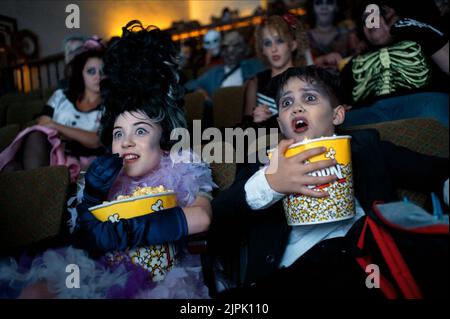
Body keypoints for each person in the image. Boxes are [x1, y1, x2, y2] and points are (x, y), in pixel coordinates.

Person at [0, 21, 215, 299]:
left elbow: (202, 217)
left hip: (164, 280)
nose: (126, 141)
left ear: (163, 138)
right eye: (118, 133)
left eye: (140, 131)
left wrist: (122, 232)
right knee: (33, 293)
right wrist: (91, 198)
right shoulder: (107, 176)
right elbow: (82, 237)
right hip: (103, 271)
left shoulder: (183, 164)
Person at [205, 65, 448, 298]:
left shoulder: (366, 148)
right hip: (293, 276)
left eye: (309, 99)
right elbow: (217, 219)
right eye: (286, 103)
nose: (296, 108)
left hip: (362, 260)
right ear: (280, 123)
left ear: (337, 114)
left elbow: (437, 172)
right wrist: (270, 183)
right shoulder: (263, 164)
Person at [0, 37, 106, 182]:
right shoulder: (60, 96)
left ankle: (39, 192)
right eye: (91, 71)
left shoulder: (109, 104)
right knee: (12, 167)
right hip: (51, 152)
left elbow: (96, 140)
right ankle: (39, 193)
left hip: (83, 161)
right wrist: (77, 134)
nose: (97, 77)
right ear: (81, 74)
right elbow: (43, 123)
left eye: (102, 71)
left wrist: (56, 126)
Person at [341, 0, 449, 128]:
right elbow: (339, 103)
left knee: (433, 107)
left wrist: (421, 29)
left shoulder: (420, 36)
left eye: (379, 14)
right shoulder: (353, 62)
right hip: (368, 115)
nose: (371, 22)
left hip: (422, 103)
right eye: (365, 19)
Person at [244, 13, 312, 128]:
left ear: (293, 44)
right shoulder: (255, 82)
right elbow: (244, 130)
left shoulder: (309, 78)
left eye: (280, 41)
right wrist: (256, 122)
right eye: (267, 43)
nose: (273, 49)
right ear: (263, 50)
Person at [305, 0, 358, 68]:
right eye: (318, 3)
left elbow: (357, 60)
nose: (324, 7)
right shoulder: (303, 37)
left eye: (329, 2)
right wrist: (323, 59)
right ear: (312, 7)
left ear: (337, 6)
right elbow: (299, 65)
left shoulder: (348, 34)